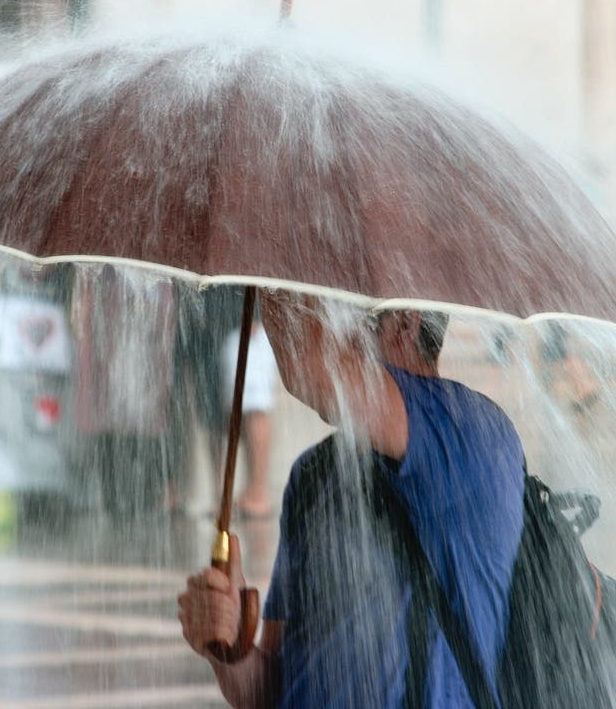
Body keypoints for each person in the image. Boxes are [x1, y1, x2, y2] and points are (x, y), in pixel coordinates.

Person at [179, 293, 526, 707]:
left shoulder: (473, 432)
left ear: (404, 322)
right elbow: (273, 692)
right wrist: (233, 651)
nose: (329, 327)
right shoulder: (315, 473)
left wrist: (263, 266)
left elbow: (307, 366)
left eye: (340, 312)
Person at [220, 318, 279, 518]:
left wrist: (254, 314)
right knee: (243, 407)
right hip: (223, 322)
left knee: (255, 405)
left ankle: (258, 493)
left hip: (246, 320)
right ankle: (251, 492)